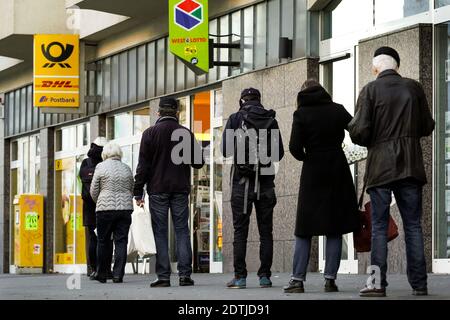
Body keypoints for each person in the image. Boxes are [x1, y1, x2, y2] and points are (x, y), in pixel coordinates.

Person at [349, 47, 435, 297]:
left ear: (376, 69)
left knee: (377, 227)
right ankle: (420, 284)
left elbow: (360, 132)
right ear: (397, 66)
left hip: (380, 168)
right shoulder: (414, 87)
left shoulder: (370, 90)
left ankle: (376, 284)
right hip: (410, 165)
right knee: (413, 226)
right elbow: (427, 125)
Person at [283, 80, 360, 294]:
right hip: (337, 167)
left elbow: (294, 147)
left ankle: (297, 280)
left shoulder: (301, 114)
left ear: (303, 93)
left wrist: (308, 156)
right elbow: (356, 130)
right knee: (334, 227)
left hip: (313, 171)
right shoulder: (337, 110)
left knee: (304, 228)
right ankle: (330, 280)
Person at [134, 97, 204, 288]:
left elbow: (143, 167)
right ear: (177, 113)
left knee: (160, 232)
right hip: (180, 188)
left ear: (158, 113)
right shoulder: (185, 133)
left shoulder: (150, 133)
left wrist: (137, 191)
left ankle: (163, 276)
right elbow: (198, 163)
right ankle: (184, 275)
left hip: (157, 189)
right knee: (182, 230)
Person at [221, 88, 284, 289]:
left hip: (242, 182)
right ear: (259, 100)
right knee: (266, 231)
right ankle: (264, 276)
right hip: (265, 182)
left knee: (240, 231)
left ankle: (240, 277)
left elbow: (225, 150)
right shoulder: (270, 120)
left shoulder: (234, 118)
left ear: (242, 100)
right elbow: (279, 154)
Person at [90, 142, 134, 283]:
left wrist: (101, 200)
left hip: (105, 210)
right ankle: (118, 275)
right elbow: (131, 189)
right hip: (125, 209)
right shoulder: (126, 168)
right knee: (121, 241)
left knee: (103, 241)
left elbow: (93, 190)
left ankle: (102, 274)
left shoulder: (100, 167)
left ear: (105, 154)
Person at [79, 137, 113, 280]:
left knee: (93, 239)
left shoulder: (85, 163)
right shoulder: (106, 162)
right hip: (105, 205)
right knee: (106, 238)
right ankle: (105, 269)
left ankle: (93, 269)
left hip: (89, 206)